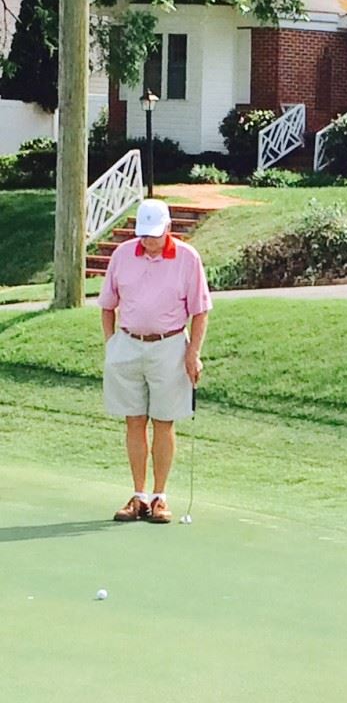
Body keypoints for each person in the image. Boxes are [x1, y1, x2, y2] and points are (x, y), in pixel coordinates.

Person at [98, 198, 212, 523]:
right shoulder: (123, 255)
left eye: (154, 234)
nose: (148, 241)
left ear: (168, 229)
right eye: (144, 234)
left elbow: (200, 312)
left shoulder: (188, 258)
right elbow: (107, 305)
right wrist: (113, 347)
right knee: (134, 421)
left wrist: (193, 354)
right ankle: (139, 495)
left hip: (170, 346)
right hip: (129, 345)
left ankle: (160, 497)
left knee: (164, 421)